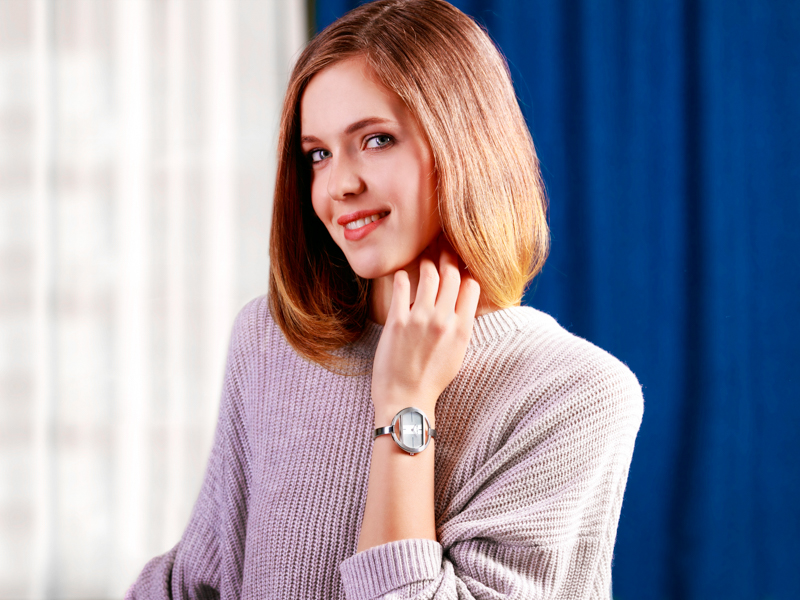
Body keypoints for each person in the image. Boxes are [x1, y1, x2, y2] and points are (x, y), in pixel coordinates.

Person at [127, 0, 643, 598]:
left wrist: (405, 401)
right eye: (318, 154)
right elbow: (197, 582)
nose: (338, 185)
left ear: (464, 145)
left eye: (375, 140)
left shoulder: (575, 394)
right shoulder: (270, 339)